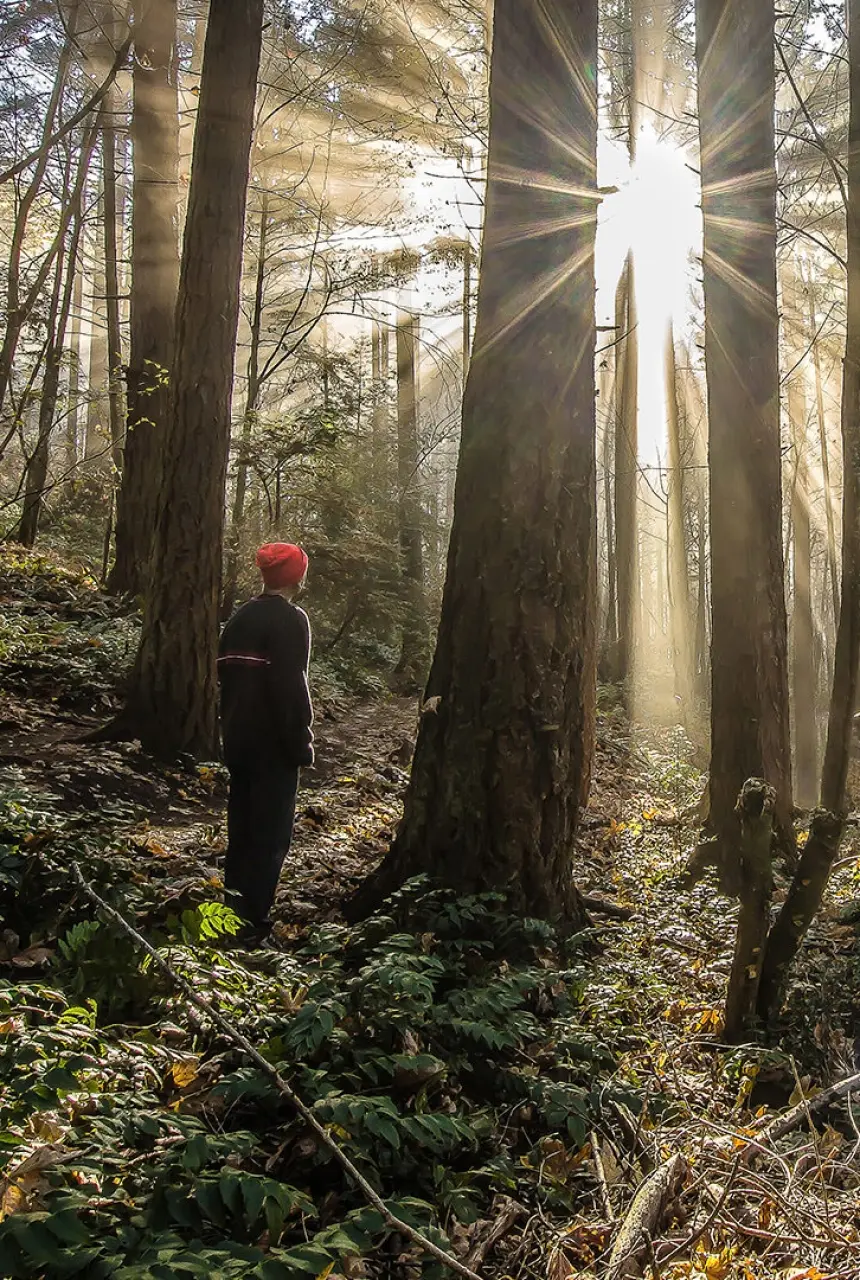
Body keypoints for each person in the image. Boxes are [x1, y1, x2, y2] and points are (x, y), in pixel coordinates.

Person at [217, 542, 314, 943]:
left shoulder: (239, 618)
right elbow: (291, 687)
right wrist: (301, 741)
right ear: (297, 577)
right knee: (272, 835)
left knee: (241, 830)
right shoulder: (292, 620)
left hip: (237, 740)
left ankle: (230, 912)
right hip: (273, 744)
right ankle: (252, 924)